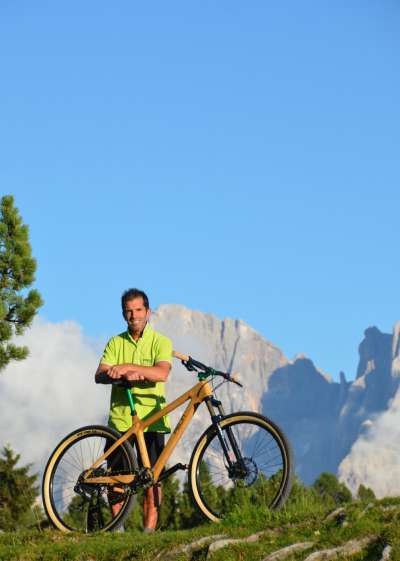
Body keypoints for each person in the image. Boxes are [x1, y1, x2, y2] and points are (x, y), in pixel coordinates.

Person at [95, 288, 172, 532]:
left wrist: (128, 367)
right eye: (129, 311)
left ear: (148, 312)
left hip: (152, 419)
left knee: (153, 479)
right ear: (123, 314)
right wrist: (113, 373)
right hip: (120, 421)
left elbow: (162, 372)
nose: (134, 315)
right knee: (116, 479)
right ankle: (118, 530)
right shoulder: (115, 342)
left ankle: (149, 531)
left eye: (138, 310)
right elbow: (99, 375)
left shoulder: (161, 341)